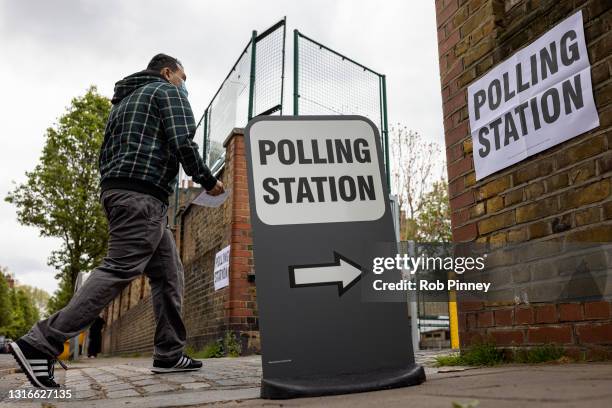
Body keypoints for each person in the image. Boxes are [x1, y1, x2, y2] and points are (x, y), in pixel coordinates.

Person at [10, 54, 224, 388]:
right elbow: (183, 141)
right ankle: (40, 343)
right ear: (168, 73)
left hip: (120, 192)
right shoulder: (166, 92)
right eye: (184, 77)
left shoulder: (122, 104)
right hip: (142, 196)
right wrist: (208, 180)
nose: (185, 85)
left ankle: (169, 353)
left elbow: (104, 155)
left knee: (169, 274)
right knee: (119, 269)